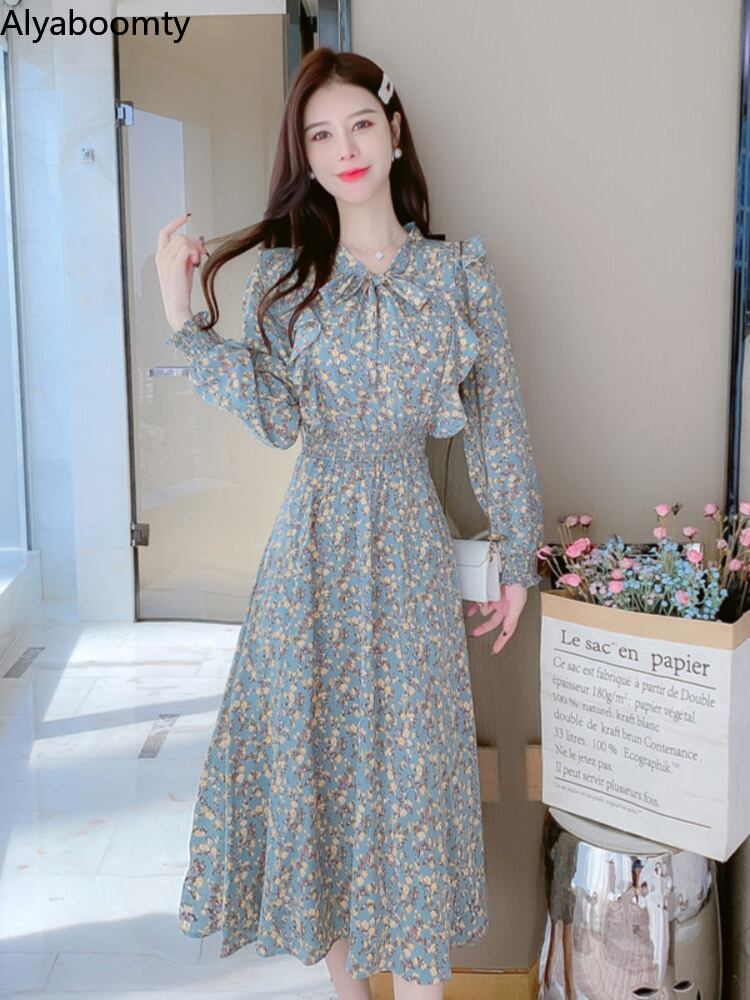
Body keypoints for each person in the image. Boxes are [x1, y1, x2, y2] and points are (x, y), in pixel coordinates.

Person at [155, 46, 544, 1000]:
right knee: (319, 770)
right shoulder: (287, 281)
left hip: (409, 541)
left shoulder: (457, 275)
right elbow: (277, 419)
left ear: (393, 130)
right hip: (310, 550)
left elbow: (498, 418)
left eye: (360, 124)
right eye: (320, 135)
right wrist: (183, 319)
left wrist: (518, 557)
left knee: (412, 776)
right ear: (307, 156)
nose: (345, 148)